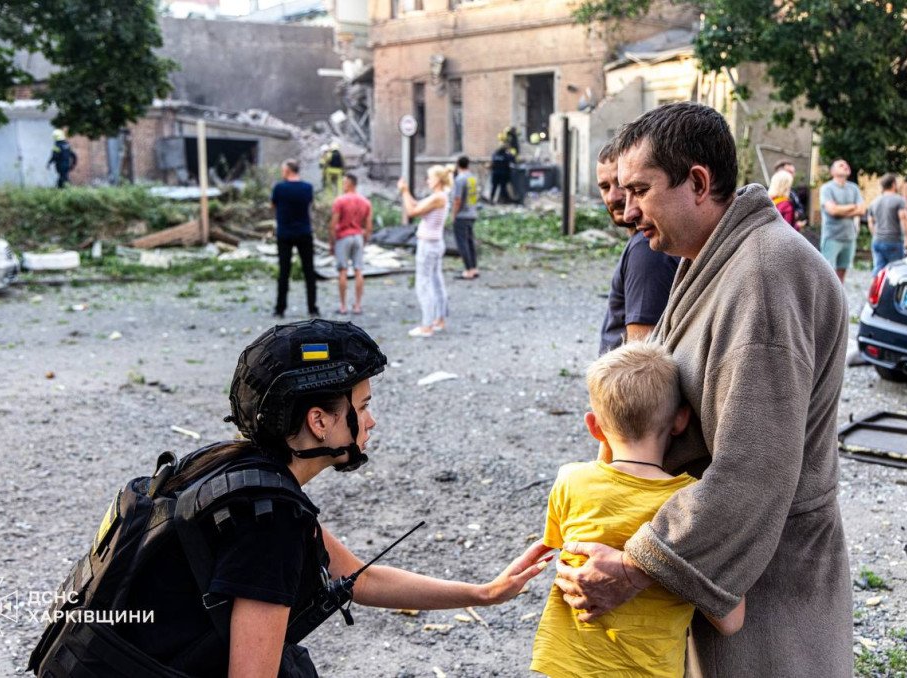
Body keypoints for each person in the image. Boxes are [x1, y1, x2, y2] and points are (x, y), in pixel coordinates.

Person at [30, 320, 551, 677]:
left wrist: (484, 593)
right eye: (362, 406)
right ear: (319, 422)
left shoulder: (235, 470)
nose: (371, 421)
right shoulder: (269, 520)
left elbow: (357, 578)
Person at [553, 102, 852, 677]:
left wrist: (639, 566)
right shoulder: (716, 257)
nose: (629, 209)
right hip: (728, 563)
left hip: (768, 580)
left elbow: (753, 467)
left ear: (697, 182)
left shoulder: (764, 277)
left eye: (641, 189)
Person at [532, 343, 744, 678]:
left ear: (594, 426)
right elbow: (731, 621)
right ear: (681, 420)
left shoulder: (570, 481)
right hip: (650, 670)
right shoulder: (692, 503)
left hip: (568, 664)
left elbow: (560, 548)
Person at [595, 144, 678, 355]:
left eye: (622, 185)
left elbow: (640, 360)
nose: (613, 197)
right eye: (605, 187)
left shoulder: (647, 248)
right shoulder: (643, 243)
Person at [399, 165, 452, 338]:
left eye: (430, 177)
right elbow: (417, 205)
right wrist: (406, 193)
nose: (427, 180)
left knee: (423, 284)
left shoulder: (438, 197)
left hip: (428, 244)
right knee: (436, 281)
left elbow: (411, 211)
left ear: (437, 180)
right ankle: (439, 319)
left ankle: (427, 325)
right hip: (435, 242)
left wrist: (405, 191)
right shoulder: (439, 197)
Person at [272, 159, 319, 318]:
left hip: (284, 233)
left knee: (284, 272)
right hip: (304, 232)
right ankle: (312, 307)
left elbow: (274, 205)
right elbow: (309, 205)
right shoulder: (307, 188)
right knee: (309, 271)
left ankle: (280, 309)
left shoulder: (279, 188)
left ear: (287, 170)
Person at [329, 173, 373, 315]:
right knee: (358, 270)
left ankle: (343, 306)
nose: (343, 185)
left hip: (343, 236)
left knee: (342, 270)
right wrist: (365, 239)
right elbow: (369, 225)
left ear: (349, 183)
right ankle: (358, 305)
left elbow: (333, 224)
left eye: (344, 182)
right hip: (358, 236)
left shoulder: (340, 201)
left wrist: (332, 242)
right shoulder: (365, 202)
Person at [819, 158, 866, 283]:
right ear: (832, 171)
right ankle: (825, 301)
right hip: (832, 236)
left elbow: (861, 210)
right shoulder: (827, 188)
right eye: (841, 165)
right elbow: (832, 211)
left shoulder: (854, 188)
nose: (845, 166)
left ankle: (839, 300)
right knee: (827, 273)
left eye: (846, 164)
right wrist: (852, 206)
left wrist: (841, 209)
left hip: (849, 237)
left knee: (842, 272)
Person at [867, 173, 907, 274]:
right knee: (894, 272)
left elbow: (870, 222)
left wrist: (876, 235)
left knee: (878, 269)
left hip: (877, 240)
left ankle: (876, 289)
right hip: (893, 241)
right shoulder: (899, 200)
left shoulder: (874, 201)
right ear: (893, 184)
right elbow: (904, 220)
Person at [451, 155, 480, 280]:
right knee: (470, 242)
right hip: (472, 213)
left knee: (462, 243)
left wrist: (454, 214)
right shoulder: (472, 178)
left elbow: (457, 199)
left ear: (458, 165)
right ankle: (474, 268)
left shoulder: (459, 179)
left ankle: (468, 270)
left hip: (462, 215)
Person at [773, 159, 807, 229]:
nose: (793, 175)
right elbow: (787, 232)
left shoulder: (792, 194)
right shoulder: (786, 203)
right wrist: (797, 225)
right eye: (789, 172)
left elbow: (800, 209)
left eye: (793, 172)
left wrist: (796, 214)